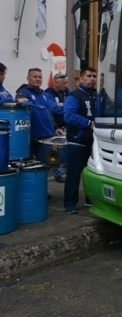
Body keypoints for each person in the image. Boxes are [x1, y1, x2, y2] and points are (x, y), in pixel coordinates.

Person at [63, 67, 98, 214]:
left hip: (92, 142)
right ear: (81, 79)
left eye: (94, 76)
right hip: (76, 141)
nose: (92, 79)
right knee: (73, 174)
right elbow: (69, 116)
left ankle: (90, 199)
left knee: (91, 173)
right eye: (89, 76)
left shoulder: (96, 96)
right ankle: (70, 204)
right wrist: (88, 123)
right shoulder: (74, 96)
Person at [16, 68, 64, 157]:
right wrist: (20, 99)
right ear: (28, 78)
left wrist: (56, 127)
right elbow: (20, 97)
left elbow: (49, 113)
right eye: (35, 77)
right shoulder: (24, 92)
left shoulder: (44, 94)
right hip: (35, 139)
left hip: (49, 137)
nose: (38, 79)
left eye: (40, 77)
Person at [44, 73, 70, 182]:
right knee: (54, 151)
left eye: (66, 83)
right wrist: (66, 107)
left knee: (63, 150)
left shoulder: (67, 92)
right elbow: (53, 109)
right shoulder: (48, 93)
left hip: (66, 125)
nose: (65, 85)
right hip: (54, 127)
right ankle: (54, 174)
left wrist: (63, 107)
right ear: (55, 82)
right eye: (63, 83)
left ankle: (60, 173)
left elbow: (71, 106)